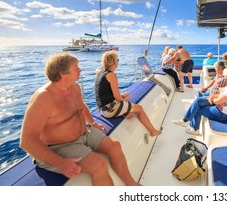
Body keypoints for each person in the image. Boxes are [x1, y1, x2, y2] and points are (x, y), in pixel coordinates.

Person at [19, 53, 141, 186]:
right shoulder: (43, 98)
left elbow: (81, 106)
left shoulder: (75, 87)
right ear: (62, 74)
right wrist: (60, 163)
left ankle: (131, 184)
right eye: (76, 68)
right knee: (99, 165)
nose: (80, 70)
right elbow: (27, 141)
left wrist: (93, 122)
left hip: (84, 133)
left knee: (115, 146)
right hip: (59, 146)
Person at [95, 51, 161, 137]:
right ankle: (153, 131)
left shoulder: (100, 72)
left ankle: (124, 111)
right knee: (139, 109)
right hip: (109, 110)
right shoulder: (111, 75)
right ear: (114, 62)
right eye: (117, 60)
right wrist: (124, 102)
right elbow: (117, 97)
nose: (118, 62)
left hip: (102, 109)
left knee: (127, 94)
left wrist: (124, 100)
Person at [172, 65, 227, 135]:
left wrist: (212, 98)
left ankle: (194, 128)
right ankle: (185, 121)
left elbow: (218, 101)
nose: (225, 76)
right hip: (220, 107)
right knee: (198, 101)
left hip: (223, 114)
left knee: (198, 109)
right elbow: (223, 95)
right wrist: (213, 96)